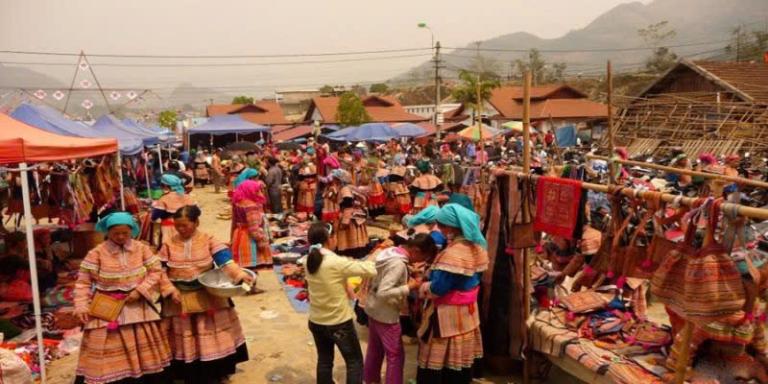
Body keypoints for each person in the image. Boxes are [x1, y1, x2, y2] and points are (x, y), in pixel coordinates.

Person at [73, 212, 171, 384]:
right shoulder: (96, 253)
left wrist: (140, 290)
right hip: (106, 307)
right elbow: (83, 281)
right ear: (107, 232)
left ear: (132, 231)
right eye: (115, 233)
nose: (120, 237)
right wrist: (81, 305)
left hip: (137, 305)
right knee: (104, 348)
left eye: (125, 233)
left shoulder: (141, 248)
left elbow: (156, 271)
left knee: (143, 346)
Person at [159, 206, 252, 384]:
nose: (180, 229)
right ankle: (187, 372)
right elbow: (160, 270)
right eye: (177, 226)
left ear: (196, 223)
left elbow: (225, 261)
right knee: (183, 333)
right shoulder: (168, 244)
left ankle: (215, 370)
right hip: (178, 297)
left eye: (185, 225)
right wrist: (169, 289)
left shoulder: (209, 240)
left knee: (209, 331)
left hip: (207, 294)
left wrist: (239, 275)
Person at [416, 204, 488, 384]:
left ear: (452, 226)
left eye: (442, 226)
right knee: (460, 356)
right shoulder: (477, 246)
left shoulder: (454, 254)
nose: (440, 229)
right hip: (468, 311)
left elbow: (439, 288)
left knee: (440, 359)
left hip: (447, 313)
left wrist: (423, 286)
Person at [305, 222, 377, 384]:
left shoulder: (308, 260)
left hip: (316, 321)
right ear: (330, 239)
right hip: (338, 323)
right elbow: (370, 269)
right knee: (354, 362)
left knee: (324, 360)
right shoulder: (335, 262)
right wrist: (377, 255)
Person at [363, 234, 438, 384]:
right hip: (386, 314)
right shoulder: (398, 264)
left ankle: (370, 379)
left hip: (373, 308)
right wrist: (409, 286)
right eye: (422, 257)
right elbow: (384, 292)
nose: (420, 262)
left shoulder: (390, 252)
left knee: (375, 349)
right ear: (416, 250)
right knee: (395, 355)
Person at [231, 180, 272, 268]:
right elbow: (253, 229)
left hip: (238, 234)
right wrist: (262, 241)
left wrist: (232, 238)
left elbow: (234, 222)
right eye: (256, 190)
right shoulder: (251, 206)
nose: (258, 192)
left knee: (241, 264)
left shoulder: (237, 202)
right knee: (252, 264)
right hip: (248, 239)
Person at [152, 174, 197, 243]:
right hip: (187, 224)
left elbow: (156, 215)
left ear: (166, 186)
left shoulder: (164, 198)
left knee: (169, 244)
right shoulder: (187, 196)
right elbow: (197, 211)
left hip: (169, 226)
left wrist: (153, 219)